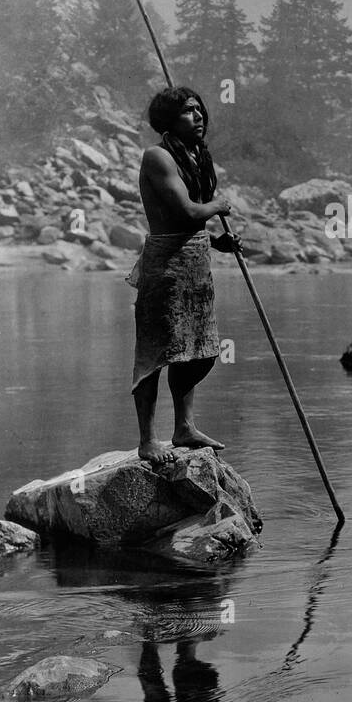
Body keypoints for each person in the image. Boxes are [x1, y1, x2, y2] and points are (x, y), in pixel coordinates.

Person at [129, 86, 241, 466]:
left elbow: (194, 224)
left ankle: (184, 427)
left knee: (197, 350)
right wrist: (217, 206)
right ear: (167, 121)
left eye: (199, 110)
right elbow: (185, 211)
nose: (198, 118)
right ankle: (147, 440)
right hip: (164, 265)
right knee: (155, 351)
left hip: (195, 261)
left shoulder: (197, 156)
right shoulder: (157, 156)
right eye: (187, 112)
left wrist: (219, 243)